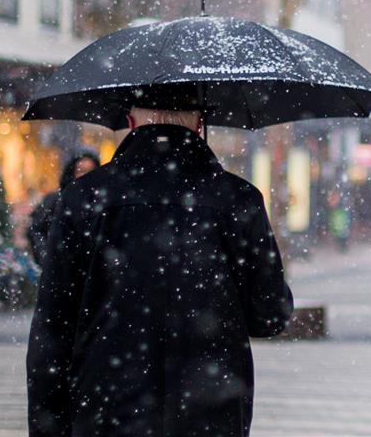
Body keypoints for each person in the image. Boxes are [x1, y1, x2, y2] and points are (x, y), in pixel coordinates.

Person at [27, 107, 294, 436]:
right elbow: (270, 317)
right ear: (199, 124)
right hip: (211, 413)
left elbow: (53, 330)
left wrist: (48, 425)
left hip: (106, 412)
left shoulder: (83, 199)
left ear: (129, 122)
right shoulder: (238, 200)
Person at [27, 152, 99, 267]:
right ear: (72, 172)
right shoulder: (56, 201)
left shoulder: (101, 203)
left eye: (91, 170)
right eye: (81, 170)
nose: (86, 175)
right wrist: (47, 258)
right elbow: (36, 230)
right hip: (60, 270)